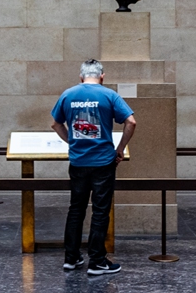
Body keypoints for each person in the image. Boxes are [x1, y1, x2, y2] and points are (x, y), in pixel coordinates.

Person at [51, 59, 136, 275]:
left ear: (81, 76)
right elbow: (131, 122)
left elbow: (55, 123)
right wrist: (120, 148)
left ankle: (71, 258)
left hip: (78, 161)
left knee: (76, 209)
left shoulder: (68, 94)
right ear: (102, 76)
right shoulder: (109, 95)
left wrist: (71, 140)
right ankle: (97, 261)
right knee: (100, 211)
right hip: (103, 162)